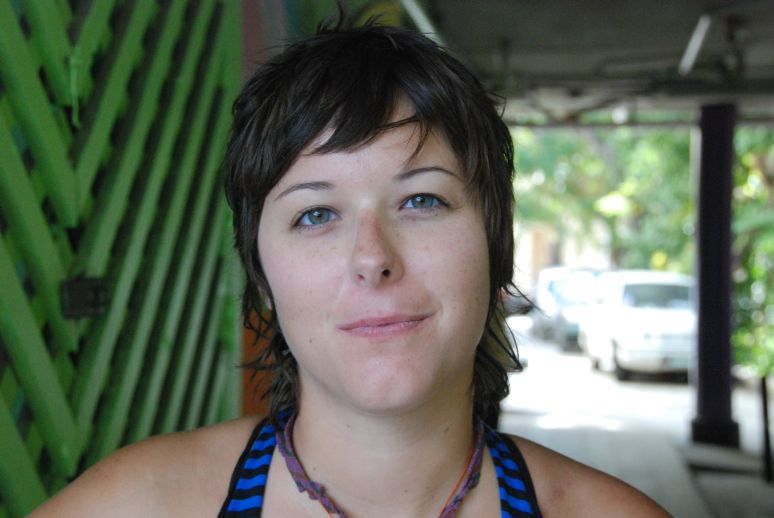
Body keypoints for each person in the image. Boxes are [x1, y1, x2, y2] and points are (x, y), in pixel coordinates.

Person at [32, 18, 669, 518]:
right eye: (315, 215)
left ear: (495, 246)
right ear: (261, 274)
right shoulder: (140, 503)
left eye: (422, 201)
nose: (372, 258)